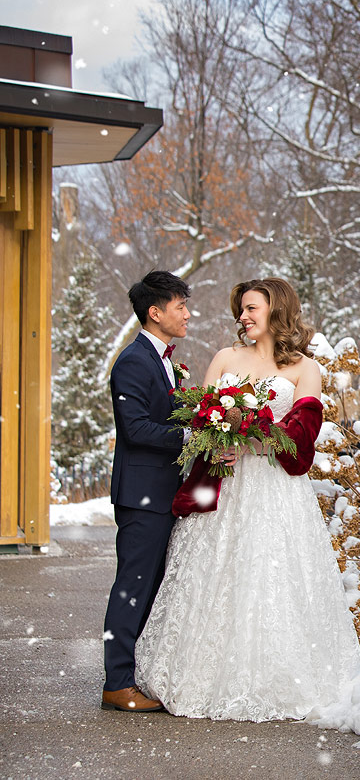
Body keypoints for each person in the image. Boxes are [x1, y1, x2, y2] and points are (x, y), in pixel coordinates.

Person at [134, 278, 358, 721]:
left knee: (268, 573)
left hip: (274, 490)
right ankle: (200, 671)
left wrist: (255, 442)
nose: (243, 317)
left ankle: (271, 674)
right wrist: (216, 441)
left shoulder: (304, 369)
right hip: (223, 482)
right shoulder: (224, 358)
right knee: (214, 574)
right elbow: (200, 419)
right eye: (241, 310)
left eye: (252, 308)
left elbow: (303, 439)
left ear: (277, 311)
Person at [103, 271, 192, 713]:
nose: (187, 314)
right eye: (180, 306)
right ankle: (117, 683)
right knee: (132, 586)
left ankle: (132, 675)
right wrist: (193, 436)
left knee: (151, 583)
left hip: (160, 492)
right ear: (155, 313)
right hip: (142, 494)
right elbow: (135, 429)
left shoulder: (163, 360)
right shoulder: (134, 361)